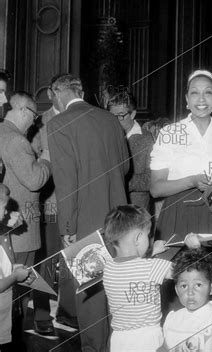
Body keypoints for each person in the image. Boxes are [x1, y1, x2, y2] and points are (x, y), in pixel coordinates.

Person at [149, 70, 212, 321]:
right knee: (175, 291)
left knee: (210, 292)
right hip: (176, 219)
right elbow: (156, 188)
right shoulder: (169, 133)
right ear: (186, 100)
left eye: (208, 92)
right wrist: (190, 180)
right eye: (195, 93)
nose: (202, 98)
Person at [47, 73, 129, 351]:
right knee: (115, 291)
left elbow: (66, 181)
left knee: (91, 297)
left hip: (84, 221)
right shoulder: (109, 119)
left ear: (57, 94)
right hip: (120, 219)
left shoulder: (59, 123)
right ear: (80, 90)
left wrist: (66, 228)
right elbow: (125, 168)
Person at [0, 92, 51, 341]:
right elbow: (34, 180)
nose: (34, 122)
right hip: (19, 234)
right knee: (17, 301)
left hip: (5, 233)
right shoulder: (17, 141)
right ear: (23, 110)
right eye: (34, 116)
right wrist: (46, 161)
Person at [30, 75, 77, 335]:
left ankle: (69, 312)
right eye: (63, 90)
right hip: (49, 203)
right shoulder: (39, 122)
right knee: (46, 261)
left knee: (74, 258)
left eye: (74, 89)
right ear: (51, 93)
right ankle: (41, 315)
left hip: (76, 202)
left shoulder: (82, 118)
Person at [102, 205, 172, 352]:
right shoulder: (153, 267)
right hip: (148, 338)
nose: (149, 239)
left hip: (119, 340)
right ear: (138, 238)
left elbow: (133, 267)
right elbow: (181, 272)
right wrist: (193, 244)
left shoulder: (108, 269)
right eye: (148, 235)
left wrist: (152, 251)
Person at [162, 248, 212, 351]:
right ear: (177, 290)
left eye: (198, 285)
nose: (190, 292)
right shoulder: (172, 319)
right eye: (184, 286)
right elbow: (164, 348)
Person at [0, 183, 33, 351]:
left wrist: (11, 268)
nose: (7, 213)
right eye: (4, 208)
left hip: (7, 310)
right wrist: (15, 277)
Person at [108, 91, 154, 210]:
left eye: (120, 115)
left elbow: (151, 179)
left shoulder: (147, 139)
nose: (115, 120)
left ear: (133, 114)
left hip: (136, 211)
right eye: (112, 116)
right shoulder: (105, 137)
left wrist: (120, 182)